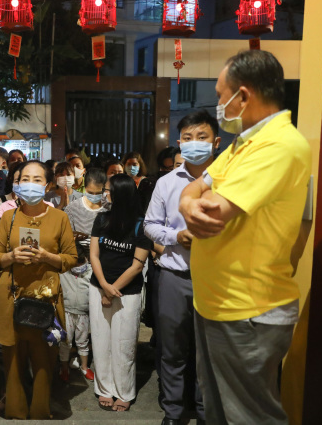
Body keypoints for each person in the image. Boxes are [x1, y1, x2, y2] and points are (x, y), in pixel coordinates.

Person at [179, 50, 311, 425]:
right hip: (218, 302)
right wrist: (190, 203)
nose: (219, 104)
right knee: (220, 412)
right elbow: (193, 191)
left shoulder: (279, 146)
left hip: (248, 308)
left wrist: (192, 203)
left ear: (244, 95)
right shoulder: (243, 143)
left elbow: (212, 210)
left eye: (221, 96)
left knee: (250, 417)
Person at [145, 110, 221, 425]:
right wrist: (176, 236)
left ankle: (205, 413)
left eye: (201, 137)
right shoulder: (165, 183)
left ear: (216, 142)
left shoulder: (229, 180)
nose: (194, 144)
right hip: (173, 277)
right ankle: (174, 413)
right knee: (172, 351)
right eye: (187, 138)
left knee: (209, 354)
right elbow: (149, 226)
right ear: (179, 142)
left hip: (216, 280)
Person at [0, 160, 77, 420]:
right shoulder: (9, 216)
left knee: (44, 362)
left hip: (45, 299)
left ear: (48, 184)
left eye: (37, 179)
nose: (30, 184)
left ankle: (40, 410)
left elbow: (71, 259)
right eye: (25, 178)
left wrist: (47, 257)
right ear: (17, 184)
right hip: (11, 296)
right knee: (13, 361)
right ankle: (15, 410)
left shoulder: (60, 218)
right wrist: (12, 256)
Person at [89, 173, 151, 412]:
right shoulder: (102, 219)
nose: (104, 194)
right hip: (99, 288)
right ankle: (104, 389)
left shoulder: (140, 224)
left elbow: (137, 265)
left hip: (128, 293)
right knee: (101, 341)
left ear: (119, 194)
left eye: (107, 190)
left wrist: (112, 291)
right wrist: (104, 285)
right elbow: (94, 254)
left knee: (124, 344)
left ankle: (123, 391)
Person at [58, 252, 94, 383]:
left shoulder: (92, 271)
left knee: (83, 341)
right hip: (66, 311)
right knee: (65, 342)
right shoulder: (63, 270)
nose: (79, 268)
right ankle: (64, 368)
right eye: (76, 265)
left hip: (83, 312)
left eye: (81, 264)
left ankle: (85, 367)